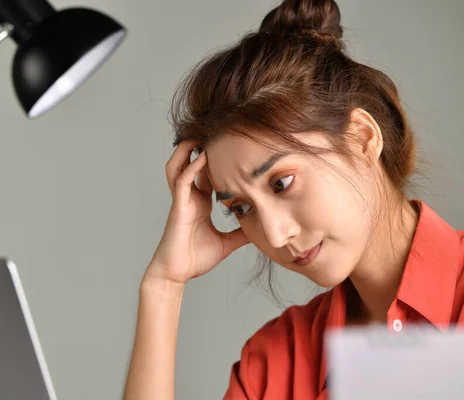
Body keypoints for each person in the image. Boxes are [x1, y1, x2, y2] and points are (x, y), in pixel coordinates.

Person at [122, 0, 464, 399]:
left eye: (281, 183)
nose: (275, 234)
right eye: (241, 209)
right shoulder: (274, 363)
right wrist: (163, 287)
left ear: (362, 139)